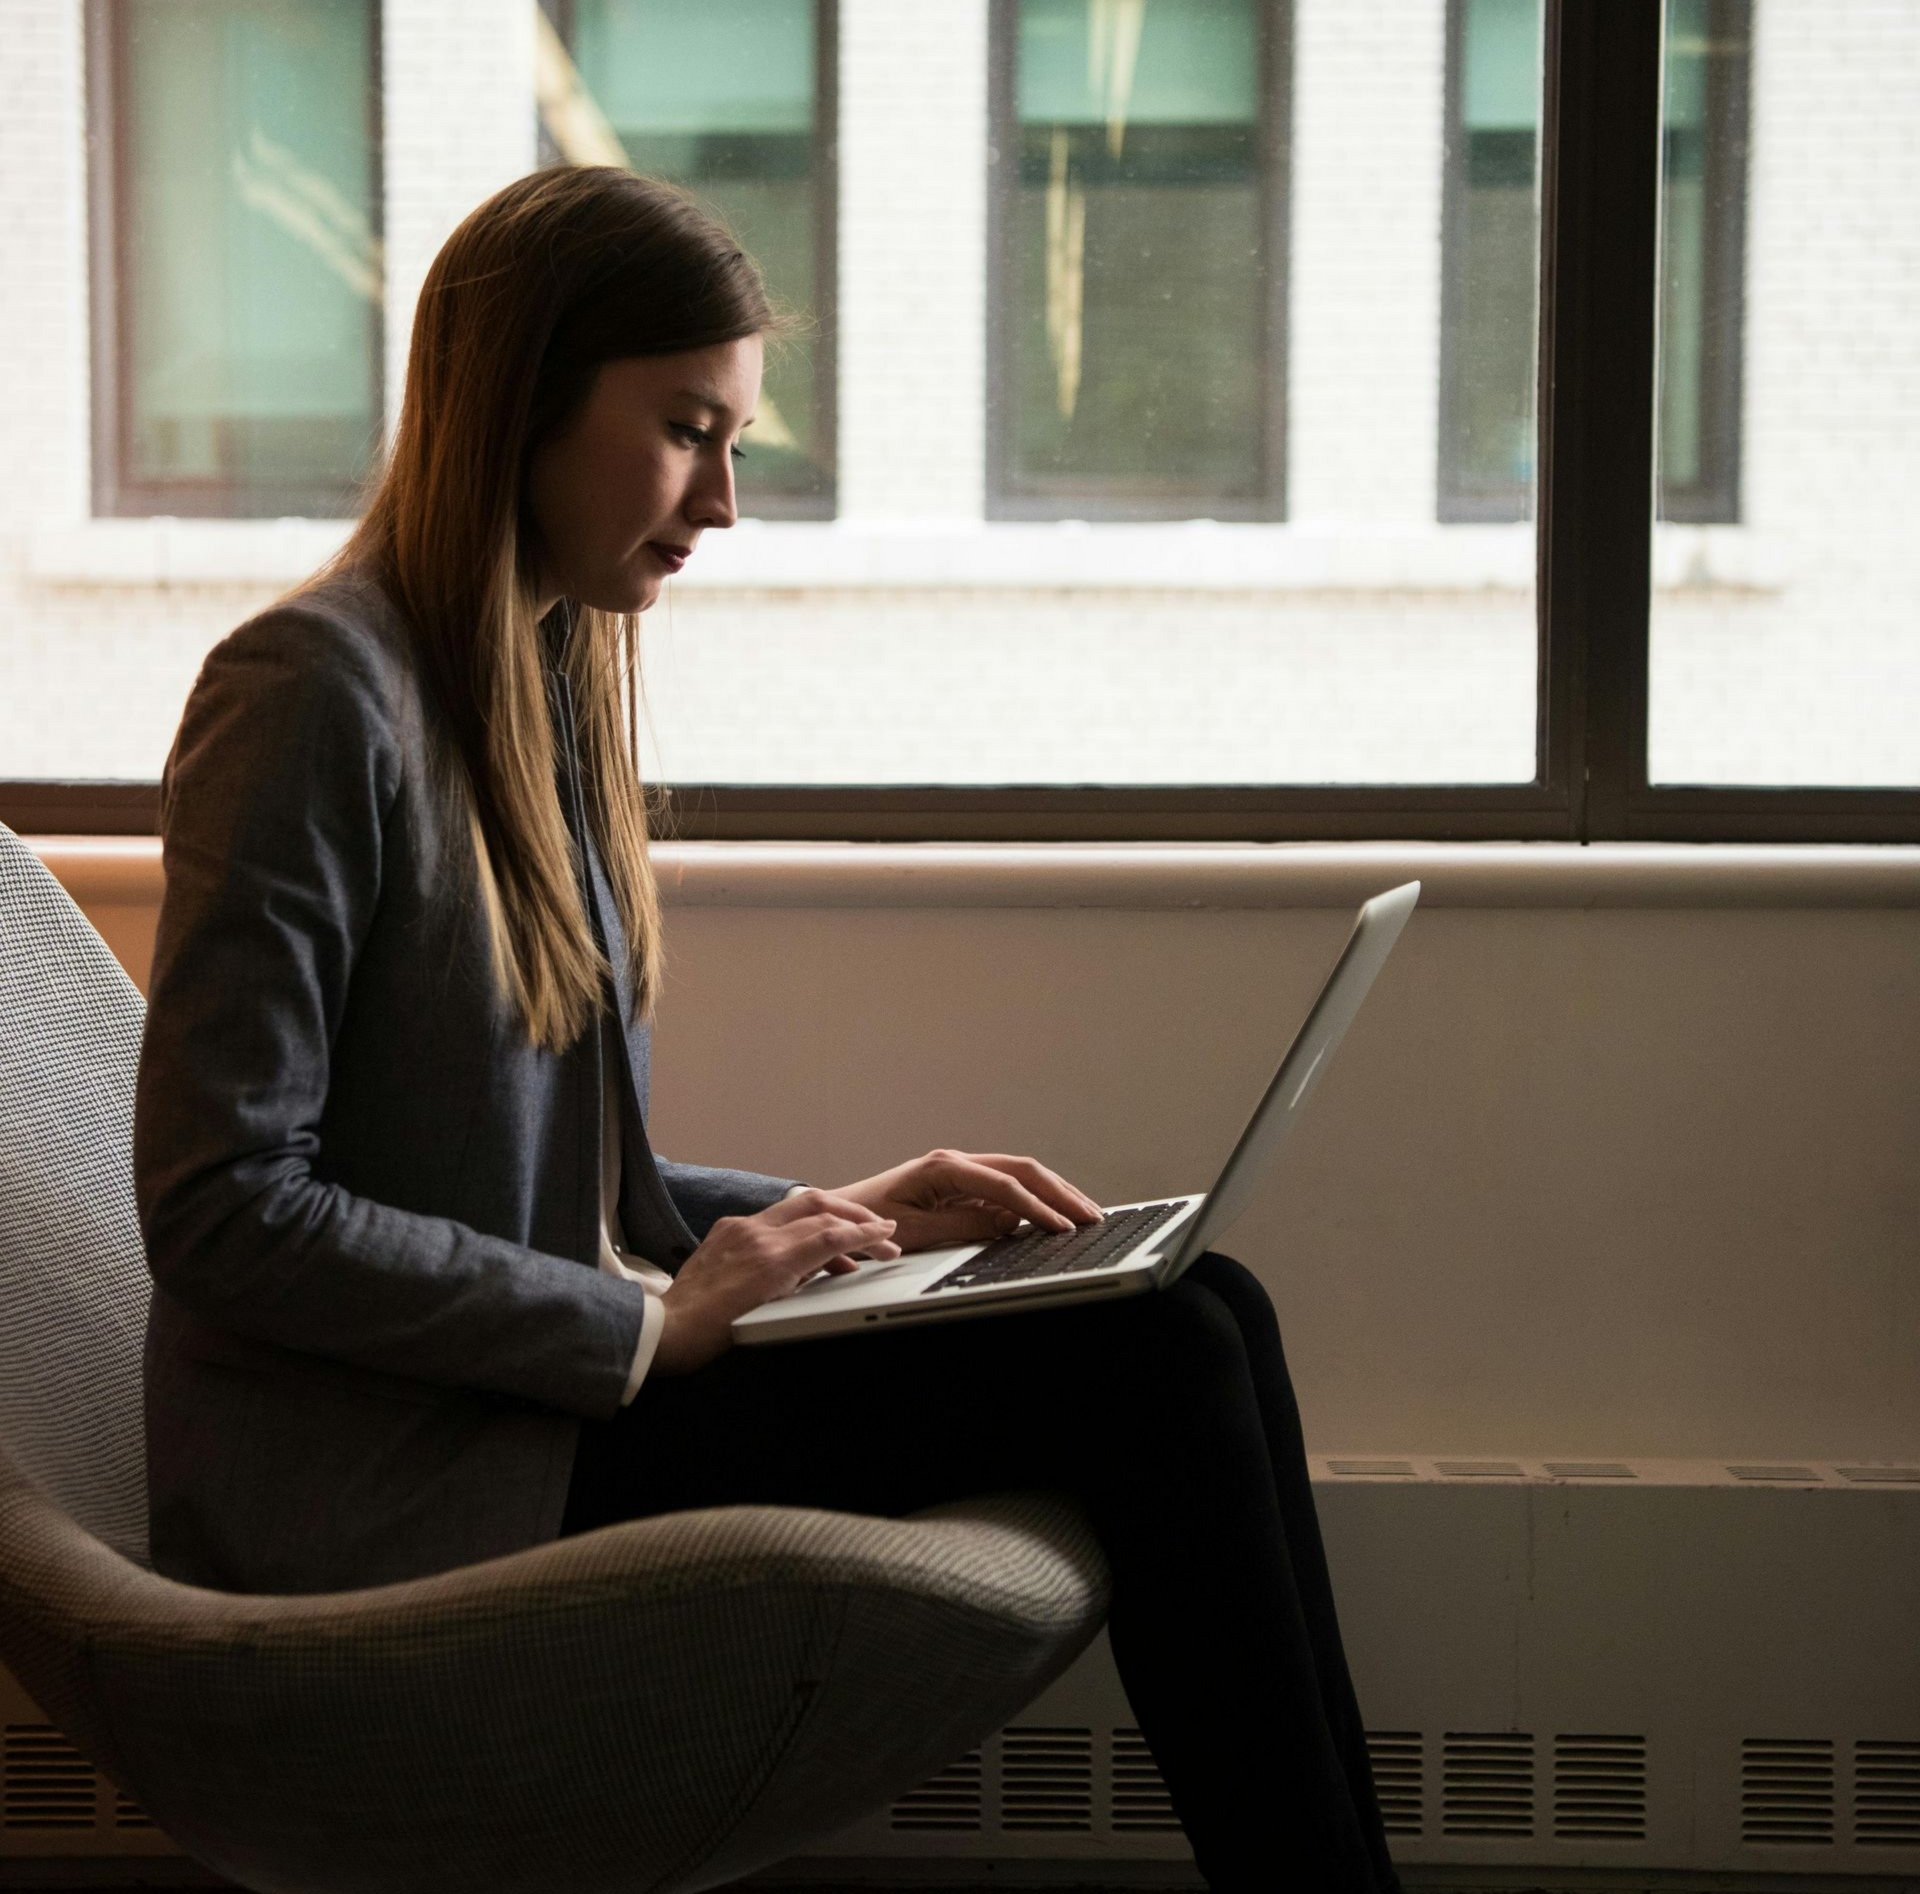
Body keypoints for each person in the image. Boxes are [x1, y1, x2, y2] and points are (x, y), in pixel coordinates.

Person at [132, 164, 1403, 1893]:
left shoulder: (545, 673)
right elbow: (223, 1212)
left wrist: (842, 1220)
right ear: (523, 400)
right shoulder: (306, 696)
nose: (724, 500)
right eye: (684, 430)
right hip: (395, 1469)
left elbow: (556, 1174)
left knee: (1200, 1302)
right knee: (1161, 1368)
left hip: (539, 1392)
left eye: (733, 440)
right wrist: (653, 1331)